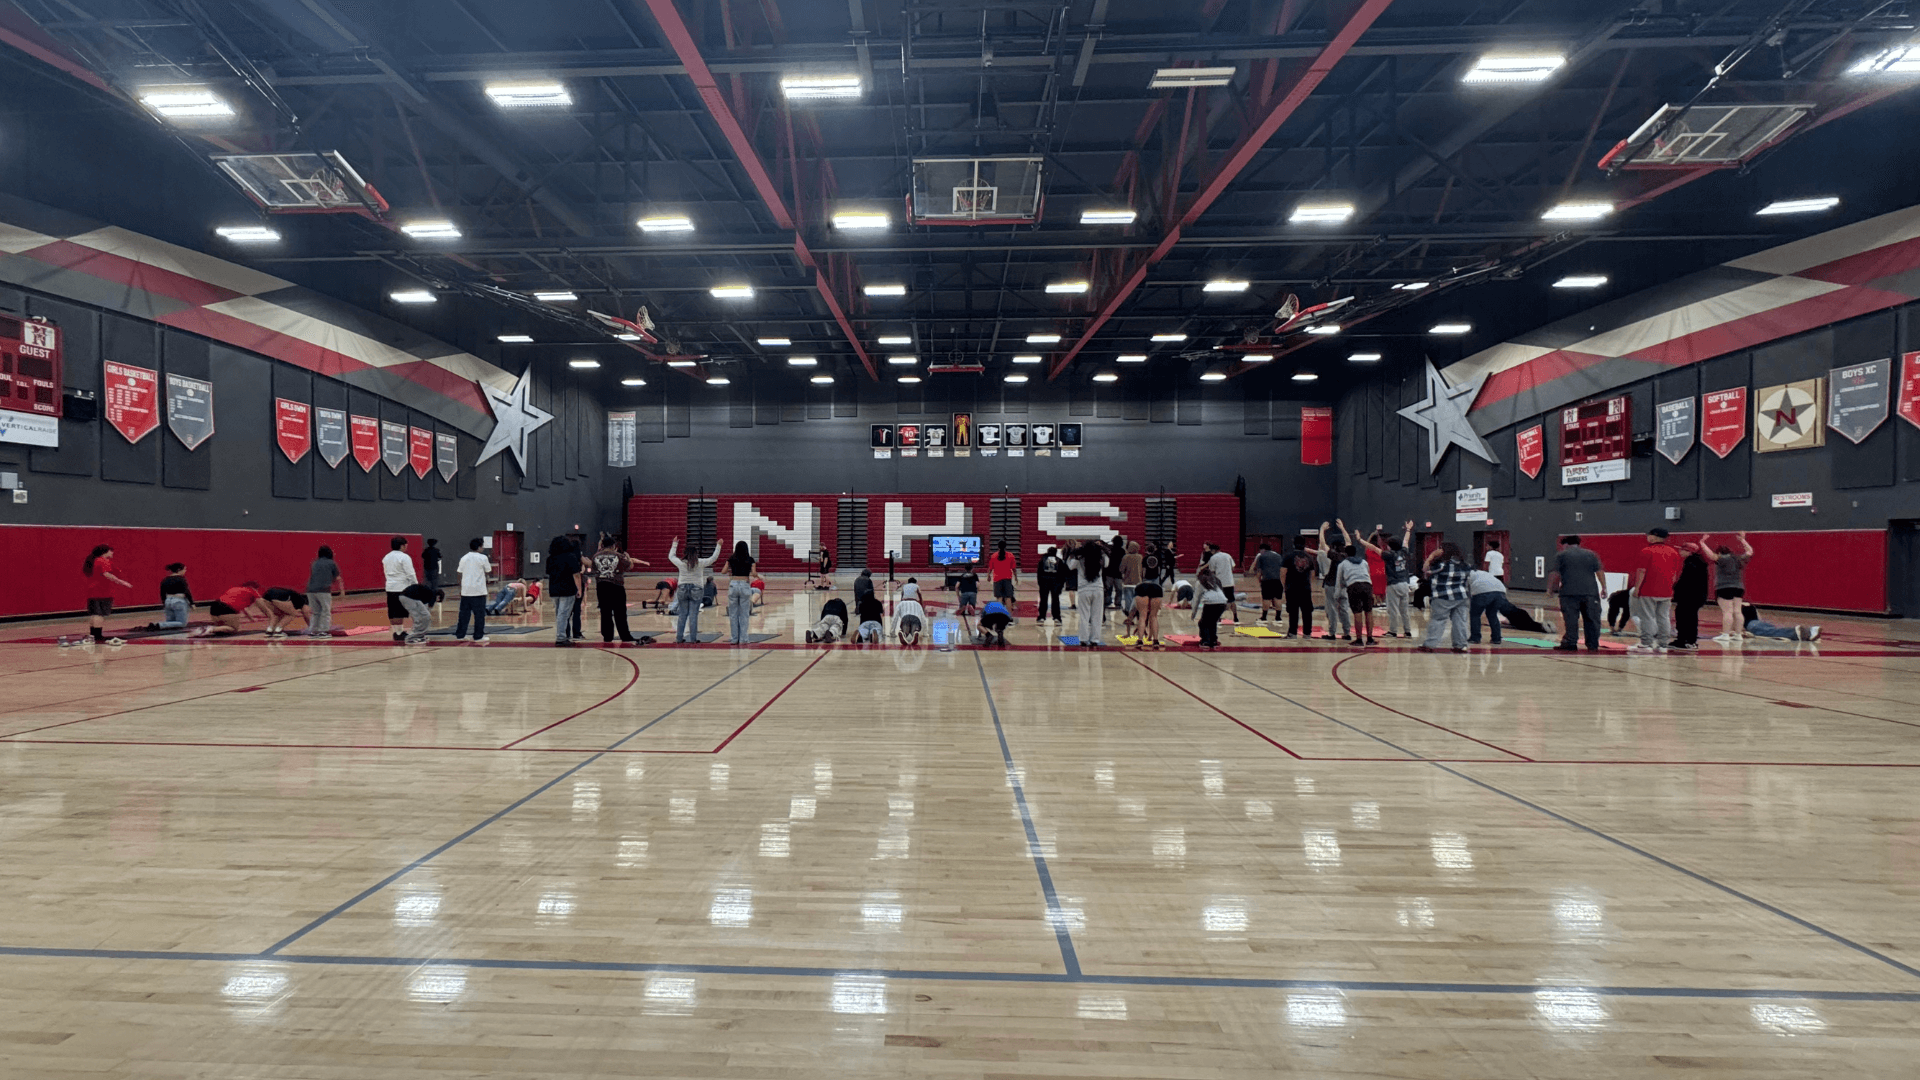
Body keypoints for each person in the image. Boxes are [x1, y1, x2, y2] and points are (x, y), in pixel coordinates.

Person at [1628, 527, 1685, 654]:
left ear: (1653, 536)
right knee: (1664, 617)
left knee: (1647, 617)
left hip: (1648, 589)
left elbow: (1641, 571)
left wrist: (1637, 588)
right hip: (1666, 590)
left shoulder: (1646, 551)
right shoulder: (1673, 552)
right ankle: (1663, 644)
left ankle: (1646, 643)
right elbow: (1675, 574)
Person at [1547, 535, 1606, 652]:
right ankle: (1593, 645)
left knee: (1571, 620)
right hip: (1590, 593)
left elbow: (1554, 573)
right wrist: (1604, 587)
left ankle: (1570, 643)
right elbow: (1599, 571)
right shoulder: (1591, 554)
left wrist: (1550, 589)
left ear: (1565, 544)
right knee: (1592, 620)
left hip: (1569, 593)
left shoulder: (1561, 555)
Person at [1416, 543, 1472, 653]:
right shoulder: (1465, 565)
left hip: (1442, 596)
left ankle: (1430, 645)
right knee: (1460, 621)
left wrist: (1431, 556)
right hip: (1462, 596)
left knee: (1438, 620)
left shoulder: (1441, 565)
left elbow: (1425, 570)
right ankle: (1461, 645)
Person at [666, 536, 721, 644]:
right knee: (693, 615)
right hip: (696, 589)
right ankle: (693, 639)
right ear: (696, 553)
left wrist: (674, 544)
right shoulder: (700, 562)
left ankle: (679, 638)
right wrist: (718, 545)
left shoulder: (681, 563)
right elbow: (713, 558)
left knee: (682, 614)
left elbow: (671, 556)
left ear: (685, 553)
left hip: (682, 589)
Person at [79, 545, 130, 646]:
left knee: (94, 613)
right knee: (99, 614)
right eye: (111, 551)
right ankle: (98, 636)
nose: (112, 553)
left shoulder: (93, 560)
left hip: (92, 590)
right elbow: (106, 574)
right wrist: (122, 582)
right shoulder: (102, 561)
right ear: (105, 552)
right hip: (103, 591)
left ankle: (93, 635)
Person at [1710, 532, 1755, 641]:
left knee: (1727, 612)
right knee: (1737, 611)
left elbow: (1710, 555)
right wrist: (1743, 540)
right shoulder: (1738, 559)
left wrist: (1702, 543)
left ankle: (1725, 635)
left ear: (1719, 553)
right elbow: (1750, 551)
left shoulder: (1721, 559)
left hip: (1724, 587)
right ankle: (1738, 635)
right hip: (1739, 587)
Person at [1671, 540, 1713, 652]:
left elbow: (1686, 580)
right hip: (1698, 596)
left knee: (1684, 617)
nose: (1679, 551)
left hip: (1689, 596)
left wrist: (1675, 589)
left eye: (1682, 549)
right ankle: (1689, 641)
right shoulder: (1700, 562)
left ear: (1688, 551)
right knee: (1691, 618)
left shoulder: (1691, 563)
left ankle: (1683, 641)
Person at [548, 534, 586, 647]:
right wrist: (579, 589)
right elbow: (576, 575)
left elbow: (549, 574)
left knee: (558, 614)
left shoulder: (550, 559)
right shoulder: (571, 557)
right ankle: (561, 637)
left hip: (553, 589)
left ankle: (562, 635)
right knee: (563, 614)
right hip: (567, 589)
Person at [1316, 523, 1352, 642]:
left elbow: (1322, 544)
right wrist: (1343, 528)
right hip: (1344, 586)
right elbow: (1348, 540)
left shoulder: (1334, 555)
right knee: (1344, 609)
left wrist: (1321, 530)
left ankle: (1332, 633)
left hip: (1331, 584)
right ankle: (1347, 633)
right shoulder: (1347, 554)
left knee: (1331, 609)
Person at [1380, 523, 1416, 638]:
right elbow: (1406, 541)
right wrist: (1408, 530)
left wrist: (1361, 540)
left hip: (1393, 584)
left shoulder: (1389, 555)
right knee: (1404, 610)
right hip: (1405, 583)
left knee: (1393, 609)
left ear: (1389, 546)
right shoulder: (1404, 552)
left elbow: (1375, 549)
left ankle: (1393, 631)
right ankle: (1408, 631)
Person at [1337, 544, 1377, 646]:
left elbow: (1339, 582)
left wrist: (1337, 596)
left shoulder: (1343, 564)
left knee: (1357, 612)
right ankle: (1370, 639)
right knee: (1369, 611)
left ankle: (1359, 639)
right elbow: (1367, 575)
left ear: (1345, 554)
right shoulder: (1364, 562)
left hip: (1354, 586)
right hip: (1367, 585)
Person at [454, 538, 492, 645]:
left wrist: (461, 588)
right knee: (479, 615)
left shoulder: (464, 558)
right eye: (482, 546)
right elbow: (488, 571)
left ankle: (460, 635)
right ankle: (478, 636)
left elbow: (459, 573)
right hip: (478, 591)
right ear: (479, 547)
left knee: (464, 615)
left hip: (466, 591)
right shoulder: (483, 558)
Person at [198, 581, 268, 636]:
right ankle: (210, 629)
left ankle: (211, 629)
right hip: (227, 609)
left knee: (223, 629)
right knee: (233, 629)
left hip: (214, 607)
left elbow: (245, 609)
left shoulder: (235, 589)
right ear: (254, 588)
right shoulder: (252, 591)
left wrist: (251, 618)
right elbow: (263, 607)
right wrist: (271, 617)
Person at [301, 546, 342, 638]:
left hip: (310, 590)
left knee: (315, 612)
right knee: (326, 611)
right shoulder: (331, 563)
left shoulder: (314, 563)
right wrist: (341, 591)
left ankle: (314, 631)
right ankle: (323, 631)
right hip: (323, 590)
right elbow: (337, 578)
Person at [382, 536, 417, 643]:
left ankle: (398, 632)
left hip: (390, 586)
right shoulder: (404, 557)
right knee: (400, 611)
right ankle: (399, 633)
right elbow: (410, 573)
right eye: (406, 545)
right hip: (402, 587)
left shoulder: (386, 557)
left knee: (393, 611)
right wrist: (415, 586)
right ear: (402, 545)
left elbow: (385, 572)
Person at [1282, 538, 1317, 638]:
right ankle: (1307, 634)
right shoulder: (1309, 557)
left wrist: (1284, 586)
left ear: (1294, 544)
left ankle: (1292, 633)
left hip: (1292, 588)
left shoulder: (1288, 556)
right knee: (1307, 612)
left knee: (1293, 611)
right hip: (1305, 588)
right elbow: (1312, 574)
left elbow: (1283, 572)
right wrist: (1309, 585)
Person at [1074, 538, 1106, 647]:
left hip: (1084, 589)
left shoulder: (1079, 559)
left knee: (1084, 615)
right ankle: (1095, 640)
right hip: (1098, 589)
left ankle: (1083, 639)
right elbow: (1107, 563)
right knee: (1097, 616)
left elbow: (1069, 565)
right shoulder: (1100, 559)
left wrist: (1075, 550)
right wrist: (1101, 548)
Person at [723, 540, 756, 646]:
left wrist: (730, 571)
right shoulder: (750, 559)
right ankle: (743, 639)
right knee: (744, 614)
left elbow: (723, 571)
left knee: (733, 614)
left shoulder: (731, 559)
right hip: (745, 584)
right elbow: (754, 573)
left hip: (733, 584)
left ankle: (734, 638)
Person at [1133, 544, 1165, 648]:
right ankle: (1155, 640)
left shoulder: (1145, 559)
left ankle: (1140, 640)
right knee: (1154, 616)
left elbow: (1143, 572)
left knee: (1143, 616)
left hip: (1145, 584)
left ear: (1146, 550)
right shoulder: (1158, 558)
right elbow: (1160, 571)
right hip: (1156, 585)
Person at [1466, 569, 1507, 645]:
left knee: (1475, 615)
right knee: (1492, 614)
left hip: (1482, 591)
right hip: (1501, 591)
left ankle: (1475, 638)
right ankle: (1496, 638)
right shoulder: (1484, 573)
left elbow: (1467, 590)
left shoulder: (1466, 574)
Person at [1743, 602, 1819, 642]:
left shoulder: (1734, 605)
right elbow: (1758, 615)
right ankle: (1805, 632)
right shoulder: (1747, 604)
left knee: (1772, 632)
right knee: (1773, 631)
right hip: (1754, 623)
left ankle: (1802, 632)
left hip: (1751, 624)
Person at [1248, 542, 1285, 625]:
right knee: (1278, 599)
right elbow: (1282, 569)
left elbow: (1259, 571)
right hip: (1277, 580)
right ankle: (1278, 618)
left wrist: (1259, 580)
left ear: (1263, 549)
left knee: (1266, 599)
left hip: (1267, 580)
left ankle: (1264, 617)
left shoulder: (1262, 556)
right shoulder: (1278, 556)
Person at [1205, 542, 1238, 625]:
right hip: (1229, 582)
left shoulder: (1213, 558)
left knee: (1218, 601)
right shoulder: (1228, 555)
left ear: (1212, 550)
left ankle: (1218, 618)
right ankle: (1236, 617)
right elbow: (1233, 567)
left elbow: (1212, 572)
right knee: (1232, 600)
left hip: (1219, 583)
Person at [1195, 566, 1228, 649]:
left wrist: (1193, 613)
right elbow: (1222, 593)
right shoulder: (1216, 581)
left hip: (1210, 603)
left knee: (1203, 623)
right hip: (1222, 603)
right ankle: (1213, 640)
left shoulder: (1200, 582)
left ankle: (1205, 641)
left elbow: (1196, 598)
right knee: (1213, 622)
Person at [154, 562, 193, 630]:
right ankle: (159, 624)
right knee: (182, 623)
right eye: (184, 569)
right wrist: (192, 603)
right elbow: (186, 591)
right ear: (179, 570)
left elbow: (162, 593)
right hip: (179, 600)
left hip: (168, 600)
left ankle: (160, 626)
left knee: (170, 622)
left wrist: (164, 603)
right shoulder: (181, 579)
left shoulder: (165, 579)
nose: (185, 571)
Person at [1119, 541, 1144, 634]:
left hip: (1128, 583)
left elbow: (1121, 569)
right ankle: (1138, 621)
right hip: (1138, 583)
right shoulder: (1140, 557)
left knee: (1128, 605)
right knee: (1137, 604)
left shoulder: (1126, 557)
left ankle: (1129, 621)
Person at [1036, 546, 1065, 624]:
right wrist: (1061, 585)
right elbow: (1062, 575)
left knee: (1043, 600)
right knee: (1055, 600)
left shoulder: (1042, 560)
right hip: (1055, 582)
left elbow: (1039, 572)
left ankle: (1041, 617)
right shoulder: (1059, 560)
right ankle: (1057, 618)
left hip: (1044, 582)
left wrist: (1040, 583)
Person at [422, 538, 444, 603]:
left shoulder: (426, 550)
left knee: (427, 581)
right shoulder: (436, 550)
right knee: (434, 583)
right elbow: (440, 556)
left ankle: (427, 595)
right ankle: (433, 596)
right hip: (434, 568)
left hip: (427, 568)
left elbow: (423, 556)